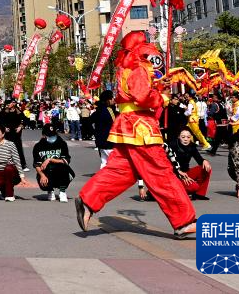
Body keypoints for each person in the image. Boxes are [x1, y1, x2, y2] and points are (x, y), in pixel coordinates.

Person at [76, 33, 197, 240]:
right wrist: (162, 97)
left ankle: (88, 199)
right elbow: (142, 96)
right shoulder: (138, 67)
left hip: (128, 124)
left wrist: (158, 86)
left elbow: (135, 93)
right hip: (141, 126)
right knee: (161, 173)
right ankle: (183, 221)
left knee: (122, 171)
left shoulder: (126, 66)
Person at [32, 124, 75, 202]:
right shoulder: (38, 146)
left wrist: (50, 159)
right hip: (46, 171)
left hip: (59, 170)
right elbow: (37, 164)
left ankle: (62, 191)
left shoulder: (62, 143)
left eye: (53, 135)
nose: (52, 137)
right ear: (44, 135)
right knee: (43, 176)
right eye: (49, 135)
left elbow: (65, 160)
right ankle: (50, 190)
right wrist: (42, 175)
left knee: (64, 168)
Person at [170, 128, 211, 200]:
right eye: (183, 137)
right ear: (179, 137)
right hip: (174, 174)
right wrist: (178, 172)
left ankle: (199, 194)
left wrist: (204, 161)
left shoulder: (192, 146)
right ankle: (175, 193)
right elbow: (166, 164)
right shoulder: (172, 145)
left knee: (206, 167)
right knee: (194, 187)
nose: (186, 139)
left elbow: (199, 159)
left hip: (186, 173)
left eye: (188, 137)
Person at [0, 99, 27, 171]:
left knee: (18, 148)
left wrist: (20, 127)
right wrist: (4, 128)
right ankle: (4, 164)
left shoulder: (18, 111)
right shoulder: (3, 111)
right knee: (6, 148)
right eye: (10, 103)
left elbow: (24, 120)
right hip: (7, 133)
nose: (10, 104)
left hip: (16, 133)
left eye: (12, 103)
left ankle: (22, 165)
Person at [93, 90, 117, 168]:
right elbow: (114, 124)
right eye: (112, 98)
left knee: (104, 163)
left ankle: (102, 175)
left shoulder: (99, 110)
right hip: (108, 141)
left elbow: (90, 121)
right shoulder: (107, 110)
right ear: (108, 100)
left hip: (101, 141)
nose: (113, 100)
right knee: (113, 163)